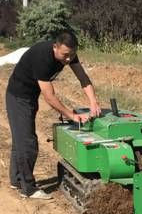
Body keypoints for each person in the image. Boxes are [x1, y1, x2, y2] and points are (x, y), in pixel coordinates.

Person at [6, 31, 101, 200]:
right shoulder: (42, 58)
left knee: (21, 139)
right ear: (55, 47)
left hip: (30, 95)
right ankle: (28, 188)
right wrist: (71, 115)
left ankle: (16, 180)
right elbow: (49, 97)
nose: (68, 60)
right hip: (19, 96)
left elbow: (83, 77)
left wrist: (93, 101)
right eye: (65, 55)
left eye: (72, 55)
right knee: (27, 141)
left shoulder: (69, 54)